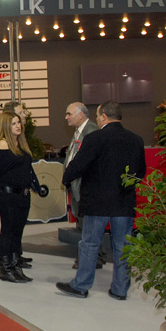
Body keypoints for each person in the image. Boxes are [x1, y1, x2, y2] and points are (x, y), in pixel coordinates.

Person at [57, 101, 146, 300]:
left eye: (97, 116)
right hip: (123, 202)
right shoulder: (136, 140)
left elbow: (78, 165)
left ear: (104, 116)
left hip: (96, 202)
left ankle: (81, 286)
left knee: (90, 244)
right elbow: (140, 172)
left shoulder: (95, 138)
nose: (97, 119)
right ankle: (120, 290)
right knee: (123, 247)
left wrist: (66, 179)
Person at [0, 112, 33, 283]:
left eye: (18, 122)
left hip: (23, 194)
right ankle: (5, 268)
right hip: (8, 195)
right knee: (8, 230)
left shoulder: (21, 144)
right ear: (6, 126)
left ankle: (15, 265)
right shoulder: (1, 145)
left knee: (17, 232)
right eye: (13, 123)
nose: (18, 126)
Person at [63, 101, 102, 269]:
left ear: (80, 115)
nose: (66, 117)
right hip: (76, 185)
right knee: (83, 222)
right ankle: (96, 256)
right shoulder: (79, 131)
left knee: (87, 224)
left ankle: (89, 259)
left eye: (69, 114)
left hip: (85, 186)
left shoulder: (91, 132)